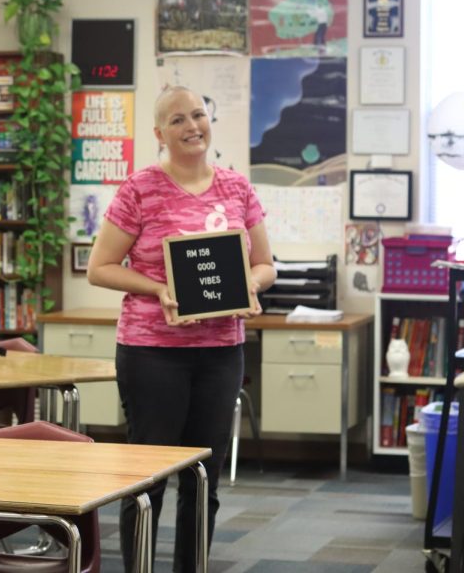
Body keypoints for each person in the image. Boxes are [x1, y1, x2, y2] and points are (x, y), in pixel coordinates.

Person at [86, 85, 276, 572]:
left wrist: (249, 287)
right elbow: (100, 267)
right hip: (153, 353)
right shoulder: (140, 189)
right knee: (147, 479)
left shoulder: (237, 187)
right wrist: (157, 289)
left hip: (220, 353)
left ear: (210, 121)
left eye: (197, 115)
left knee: (203, 479)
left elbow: (265, 265)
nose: (191, 126)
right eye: (177, 120)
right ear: (159, 134)